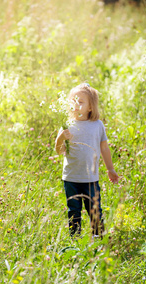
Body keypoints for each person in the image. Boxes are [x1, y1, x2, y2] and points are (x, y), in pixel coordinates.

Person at [55, 83, 119, 238]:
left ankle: (99, 239)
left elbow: (104, 148)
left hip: (90, 178)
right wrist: (61, 137)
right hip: (71, 177)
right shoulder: (67, 125)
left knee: (95, 210)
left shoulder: (97, 125)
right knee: (73, 211)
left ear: (90, 107)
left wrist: (110, 169)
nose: (75, 104)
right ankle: (75, 240)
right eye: (73, 100)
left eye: (80, 101)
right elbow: (59, 150)